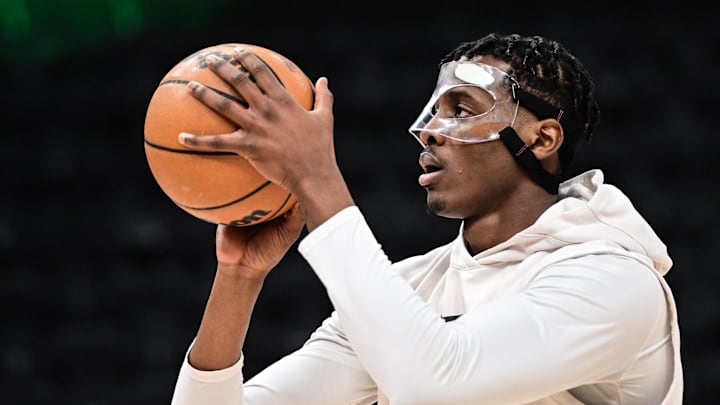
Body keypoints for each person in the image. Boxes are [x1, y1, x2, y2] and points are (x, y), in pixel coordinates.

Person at [169, 33, 683, 404]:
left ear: (542, 139)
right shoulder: (407, 289)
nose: (429, 130)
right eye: (433, 111)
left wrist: (316, 178)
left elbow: (436, 386)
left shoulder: (613, 280)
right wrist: (239, 279)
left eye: (461, 109)